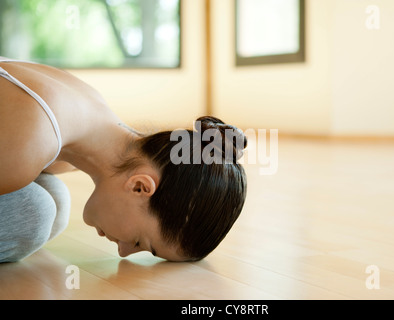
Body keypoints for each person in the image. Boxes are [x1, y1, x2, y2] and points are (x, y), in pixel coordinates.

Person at [0, 57, 247, 263]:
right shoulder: (30, 140)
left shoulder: (85, 117)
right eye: (140, 242)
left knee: (54, 199)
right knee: (34, 212)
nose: (123, 251)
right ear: (140, 186)